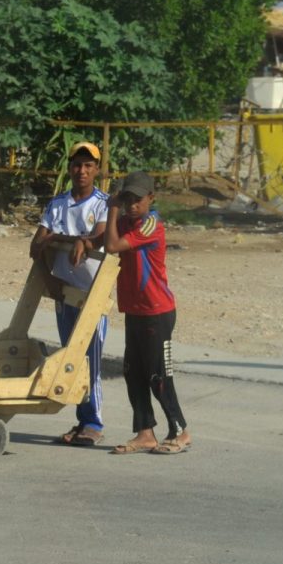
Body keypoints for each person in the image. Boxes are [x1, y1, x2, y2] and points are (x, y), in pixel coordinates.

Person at [101, 173, 192, 455]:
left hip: (157, 311)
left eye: (137, 199)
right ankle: (145, 433)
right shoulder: (128, 223)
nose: (131, 205)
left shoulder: (151, 224)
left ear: (151, 198)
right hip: (135, 310)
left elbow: (112, 245)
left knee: (159, 375)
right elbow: (103, 237)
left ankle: (179, 430)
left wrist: (112, 207)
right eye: (126, 199)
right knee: (133, 373)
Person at [30, 141, 111, 446]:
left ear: (97, 170)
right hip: (64, 292)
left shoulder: (104, 203)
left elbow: (102, 234)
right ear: (70, 168)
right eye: (77, 164)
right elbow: (36, 246)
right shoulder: (57, 204)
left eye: (89, 165)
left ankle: (93, 423)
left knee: (90, 359)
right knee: (71, 356)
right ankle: (81, 421)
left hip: (92, 293)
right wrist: (65, 243)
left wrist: (83, 242)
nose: (82, 171)